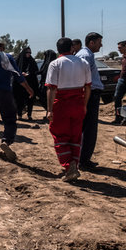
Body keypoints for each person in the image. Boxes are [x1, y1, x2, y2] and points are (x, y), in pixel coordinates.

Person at [45, 38, 91, 181]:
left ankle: (68, 166)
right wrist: (84, 105)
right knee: (75, 136)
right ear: (72, 47)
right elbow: (88, 87)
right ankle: (74, 165)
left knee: (59, 135)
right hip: (78, 103)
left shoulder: (55, 64)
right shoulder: (83, 63)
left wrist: (49, 109)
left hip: (61, 105)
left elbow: (51, 89)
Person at [75, 32, 103, 171]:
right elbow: (83, 79)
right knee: (89, 129)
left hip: (90, 94)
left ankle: (83, 159)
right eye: (99, 42)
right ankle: (83, 160)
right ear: (91, 43)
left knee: (88, 129)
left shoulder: (87, 55)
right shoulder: (85, 55)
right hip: (89, 95)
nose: (101, 45)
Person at [13, 47, 39, 120]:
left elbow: (35, 71)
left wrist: (29, 74)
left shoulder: (32, 61)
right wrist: (20, 74)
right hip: (20, 85)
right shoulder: (18, 61)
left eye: (30, 53)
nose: (28, 54)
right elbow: (14, 71)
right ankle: (19, 114)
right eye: (27, 52)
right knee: (19, 100)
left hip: (30, 83)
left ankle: (29, 115)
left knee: (30, 100)